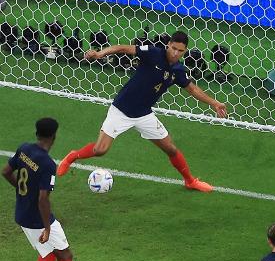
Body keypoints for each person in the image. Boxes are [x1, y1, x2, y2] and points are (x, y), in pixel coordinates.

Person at [56, 31, 227, 192]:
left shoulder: (178, 70)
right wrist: (101, 53)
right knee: (100, 150)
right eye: (173, 48)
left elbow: (192, 89)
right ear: (168, 45)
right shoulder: (153, 54)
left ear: (185, 51)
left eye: (180, 51)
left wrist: (214, 103)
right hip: (121, 109)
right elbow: (123, 48)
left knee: (171, 149)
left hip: (144, 114)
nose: (175, 53)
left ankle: (190, 181)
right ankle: (72, 156)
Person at [1, 118, 84, 261]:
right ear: (54, 137)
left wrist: (24, 193)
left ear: (37, 133)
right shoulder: (47, 164)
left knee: (47, 254)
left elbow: (5, 172)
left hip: (22, 215)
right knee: (65, 256)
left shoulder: (24, 149)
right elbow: (43, 199)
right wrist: (47, 228)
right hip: (38, 220)